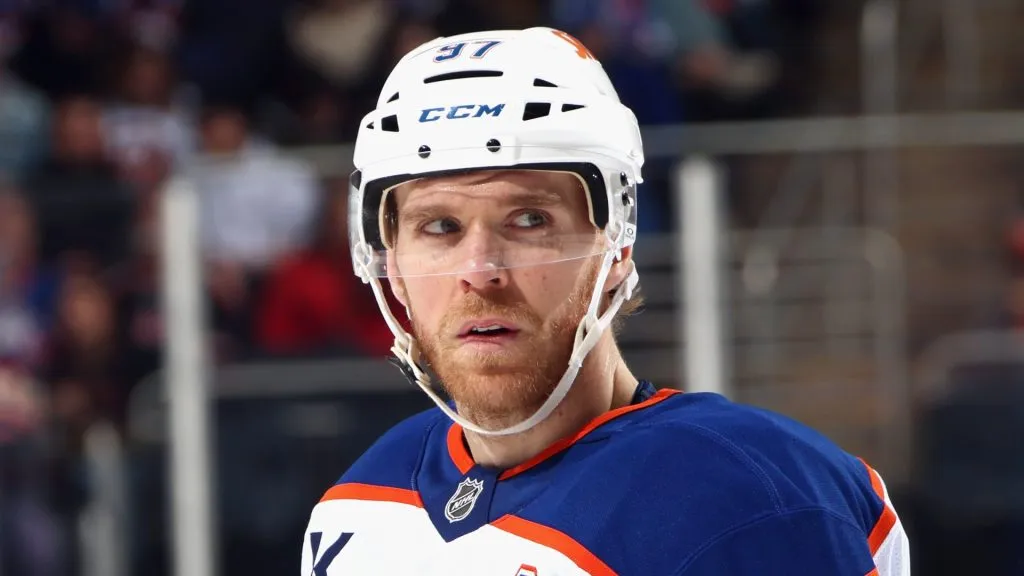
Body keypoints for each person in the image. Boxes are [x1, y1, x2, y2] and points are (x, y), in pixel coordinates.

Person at [301, 27, 910, 575]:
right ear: (390, 261)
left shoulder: (746, 501)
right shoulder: (359, 504)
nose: (480, 271)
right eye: (439, 228)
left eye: (529, 219)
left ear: (616, 243)